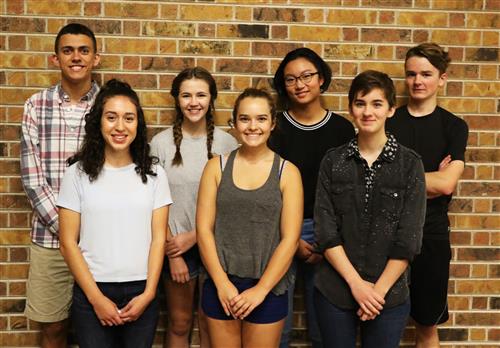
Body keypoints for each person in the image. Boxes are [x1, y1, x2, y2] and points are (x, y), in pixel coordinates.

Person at [313, 70, 426, 347]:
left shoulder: (410, 164)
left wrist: (376, 293)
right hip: (336, 291)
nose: (368, 112)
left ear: (391, 109)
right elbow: (326, 231)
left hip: (388, 295)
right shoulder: (333, 161)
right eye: (360, 103)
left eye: (377, 104)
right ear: (351, 108)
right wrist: (357, 285)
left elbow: (408, 239)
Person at [57, 79, 172, 348]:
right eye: (111, 117)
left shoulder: (155, 175)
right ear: (99, 122)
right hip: (92, 291)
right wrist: (96, 299)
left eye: (128, 118)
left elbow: (158, 240)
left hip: (142, 291)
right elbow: (67, 243)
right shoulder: (77, 174)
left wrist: (149, 293)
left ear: (137, 125)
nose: (120, 127)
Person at [197, 88, 303, 347]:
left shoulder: (287, 172)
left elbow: (290, 239)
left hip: (267, 286)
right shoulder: (216, 167)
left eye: (261, 119)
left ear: (272, 123)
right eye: (245, 119)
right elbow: (203, 230)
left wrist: (261, 290)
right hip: (222, 284)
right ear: (234, 123)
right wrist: (222, 284)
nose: (252, 126)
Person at [268, 47, 355, 348]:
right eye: (291, 79)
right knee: (278, 330)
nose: (299, 84)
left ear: (321, 79)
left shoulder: (342, 129)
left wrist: (329, 237)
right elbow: (268, 189)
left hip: (328, 235)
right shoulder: (274, 128)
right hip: (281, 234)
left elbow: (348, 191)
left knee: (325, 332)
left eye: (307, 76)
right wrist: (290, 239)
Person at [20, 23, 100, 348]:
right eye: (68, 50)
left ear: (96, 58)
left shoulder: (109, 107)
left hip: (100, 243)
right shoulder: (35, 107)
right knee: (53, 331)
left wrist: (90, 232)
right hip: (50, 242)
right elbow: (33, 180)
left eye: (84, 50)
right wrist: (70, 232)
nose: (76, 57)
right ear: (55, 58)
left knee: (97, 331)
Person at [386, 43, 469, 347]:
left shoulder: (454, 127)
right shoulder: (388, 122)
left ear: (442, 78)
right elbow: (378, 182)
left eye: (426, 74)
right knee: (378, 321)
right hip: (387, 233)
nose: (417, 81)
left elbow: (447, 185)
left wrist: (400, 181)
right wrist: (427, 181)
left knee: (427, 326)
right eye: (411, 74)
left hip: (430, 234)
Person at [150, 67, 238, 348]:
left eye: (201, 95)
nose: (193, 102)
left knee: (211, 322)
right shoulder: (160, 144)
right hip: (176, 249)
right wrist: (172, 252)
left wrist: (196, 236)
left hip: (216, 247)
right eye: (186, 95)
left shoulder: (228, 143)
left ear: (211, 99)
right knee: (179, 323)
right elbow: (153, 202)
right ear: (176, 99)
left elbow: (232, 201)